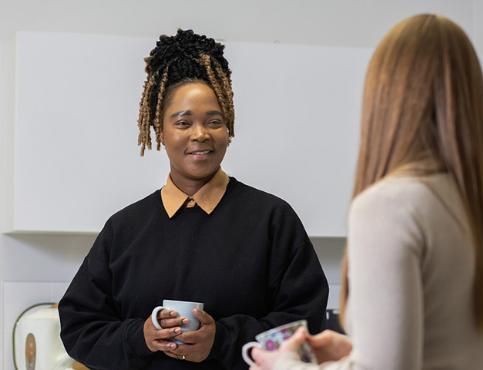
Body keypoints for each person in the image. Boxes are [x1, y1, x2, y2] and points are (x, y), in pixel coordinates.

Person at [250, 13, 483, 370]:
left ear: (386, 100)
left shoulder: (389, 206)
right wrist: (356, 352)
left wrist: (284, 365)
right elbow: (453, 345)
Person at [58, 29, 329, 370]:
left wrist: (223, 341)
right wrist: (140, 337)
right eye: (183, 122)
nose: (200, 134)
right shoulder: (124, 229)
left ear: (227, 127)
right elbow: (79, 327)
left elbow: (306, 328)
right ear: (160, 130)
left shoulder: (272, 219)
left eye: (213, 121)